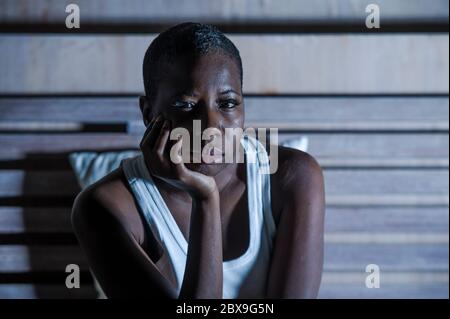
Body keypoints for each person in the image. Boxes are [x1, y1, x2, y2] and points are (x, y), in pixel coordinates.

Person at [71, 22, 325, 299]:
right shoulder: (105, 208)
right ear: (148, 113)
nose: (210, 127)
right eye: (186, 105)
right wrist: (205, 197)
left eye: (227, 103)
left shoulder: (293, 177)